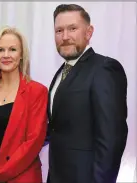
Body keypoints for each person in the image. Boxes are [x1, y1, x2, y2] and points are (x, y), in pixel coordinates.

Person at [47, 4, 128, 183]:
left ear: (89, 32)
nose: (65, 37)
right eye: (59, 30)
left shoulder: (104, 69)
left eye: (72, 28)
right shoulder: (61, 73)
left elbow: (111, 139)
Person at [0, 26, 48, 183]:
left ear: (21, 55)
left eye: (12, 49)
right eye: (0, 50)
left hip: (22, 178)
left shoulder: (37, 91)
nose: (6, 55)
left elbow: (33, 144)